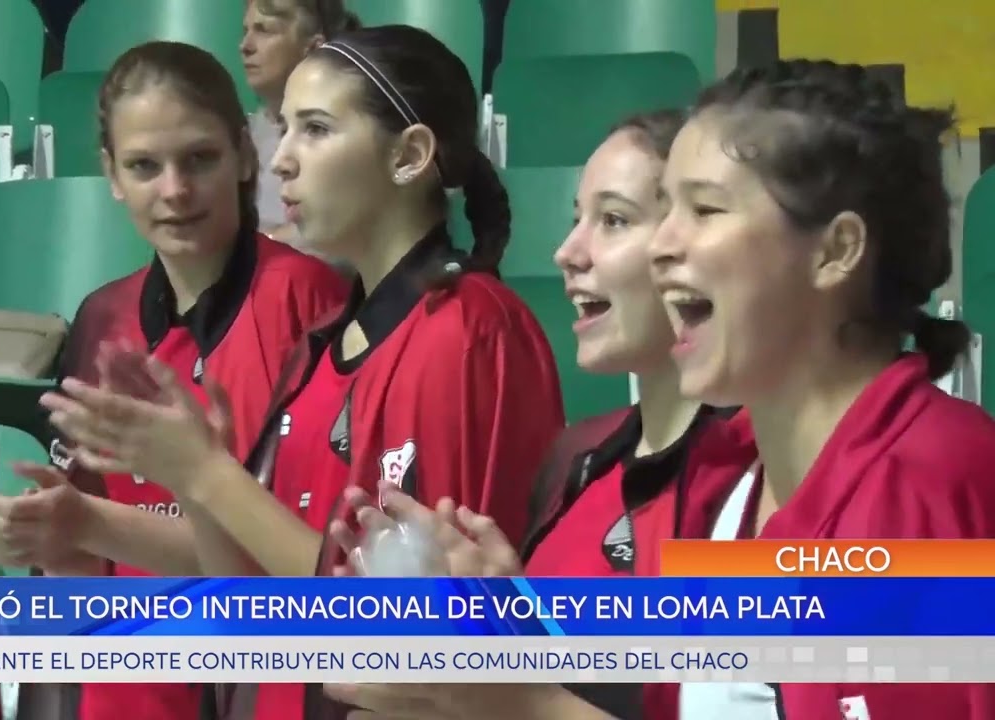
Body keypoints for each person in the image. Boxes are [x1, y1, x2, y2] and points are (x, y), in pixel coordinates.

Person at [36, 25, 564, 720]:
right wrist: (189, 487)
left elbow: (419, 640)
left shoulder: (467, 330)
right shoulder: (323, 347)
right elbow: (248, 603)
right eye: (283, 130)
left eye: (314, 129)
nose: (280, 161)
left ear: (409, 155)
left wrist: (205, 473)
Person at [0, 41, 349, 720]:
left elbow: (298, 568)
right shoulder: (103, 316)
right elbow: (88, 571)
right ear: (110, 173)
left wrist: (92, 524)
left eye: (199, 158)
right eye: (143, 166)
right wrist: (52, 541)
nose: (174, 190)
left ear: (246, 155)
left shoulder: (310, 303)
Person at [319, 112, 756, 720]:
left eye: (613, 220)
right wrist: (500, 623)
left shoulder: (758, 484)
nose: (568, 252)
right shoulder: (576, 461)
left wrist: (513, 700)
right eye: (578, 218)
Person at [650, 59, 995, 719]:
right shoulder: (729, 486)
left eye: (705, 208)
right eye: (666, 208)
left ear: (836, 250)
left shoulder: (934, 485)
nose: (660, 245)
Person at [241, 0, 358, 247]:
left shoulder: (355, 136)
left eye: (264, 30)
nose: (245, 46)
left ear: (314, 47)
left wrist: (259, 246)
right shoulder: (238, 139)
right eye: (246, 31)